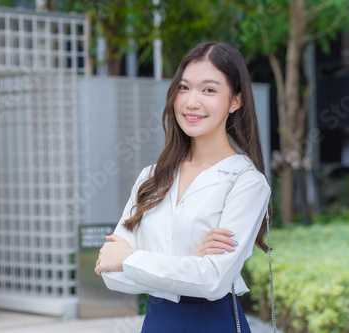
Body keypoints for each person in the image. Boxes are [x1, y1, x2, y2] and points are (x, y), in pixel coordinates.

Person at [94, 41, 271, 332]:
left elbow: (212, 282)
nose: (191, 101)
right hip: (156, 324)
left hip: (214, 324)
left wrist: (132, 260)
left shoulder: (246, 182)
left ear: (235, 101)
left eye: (209, 90)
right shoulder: (152, 177)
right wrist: (189, 264)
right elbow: (109, 270)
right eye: (184, 87)